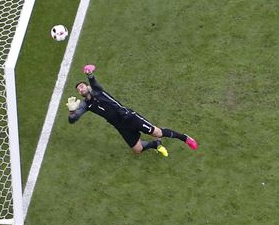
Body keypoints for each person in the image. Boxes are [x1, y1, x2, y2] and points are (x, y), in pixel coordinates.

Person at [66, 64, 198, 157]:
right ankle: (156, 145)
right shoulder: (85, 105)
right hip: (120, 126)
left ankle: (185, 138)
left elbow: (93, 82)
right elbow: (73, 120)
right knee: (137, 149)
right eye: (78, 90)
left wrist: (89, 74)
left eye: (82, 86)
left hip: (129, 117)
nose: (81, 89)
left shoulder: (97, 91)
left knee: (157, 132)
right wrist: (72, 112)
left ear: (87, 87)